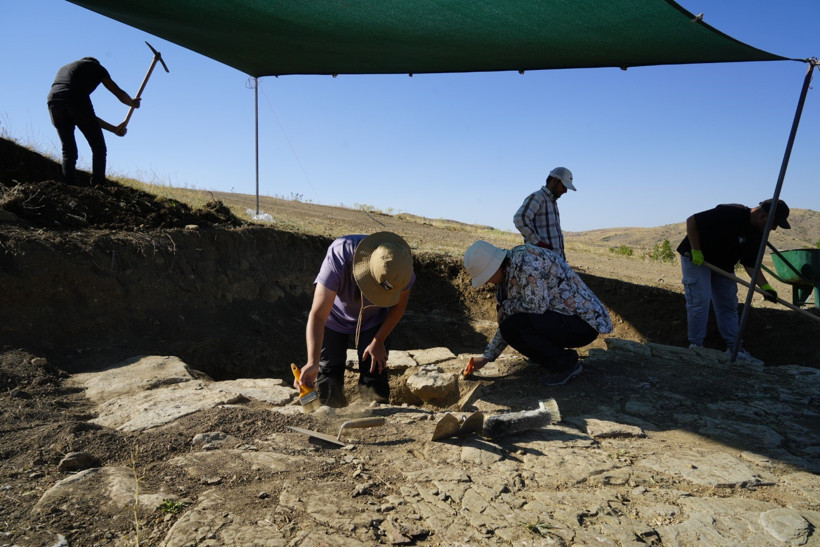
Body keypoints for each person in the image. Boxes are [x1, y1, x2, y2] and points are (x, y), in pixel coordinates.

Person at [463, 240, 613, 386]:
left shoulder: (527, 262)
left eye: (486, 277)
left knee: (516, 324)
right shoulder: (509, 271)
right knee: (511, 325)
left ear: (494, 267)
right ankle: (550, 358)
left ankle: (567, 364)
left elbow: (536, 306)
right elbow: (507, 321)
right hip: (563, 320)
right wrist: (487, 357)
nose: (487, 282)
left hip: (583, 323)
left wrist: (506, 308)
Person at [296, 232, 415, 407]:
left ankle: (378, 413)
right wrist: (312, 362)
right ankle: (331, 411)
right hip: (334, 315)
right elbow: (318, 315)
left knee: (374, 367)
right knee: (329, 368)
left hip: (374, 318)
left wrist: (378, 341)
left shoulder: (401, 269)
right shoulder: (340, 255)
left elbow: (398, 307)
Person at [676, 199, 791, 364]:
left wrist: (766, 287)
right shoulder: (731, 213)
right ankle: (696, 348)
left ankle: (735, 350)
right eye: (774, 224)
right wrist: (696, 250)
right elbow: (692, 221)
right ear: (764, 216)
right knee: (700, 300)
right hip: (697, 259)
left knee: (728, 305)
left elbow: (750, 264)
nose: (774, 229)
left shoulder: (758, 234)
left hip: (723, 265)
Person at [47, 57, 140, 186]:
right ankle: (98, 185)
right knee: (99, 148)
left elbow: (89, 117)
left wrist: (113, 129)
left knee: (68, 150)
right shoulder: (96, 67)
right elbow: (118, 93)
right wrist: (132, 103)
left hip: (53, 101)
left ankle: (69, 186)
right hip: (75, 98)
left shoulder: (65, 69)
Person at [513, 167, 576, 260]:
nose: (565, 191)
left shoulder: (552, 201)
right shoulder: (538, 197)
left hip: (554, 260)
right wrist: (538, 243)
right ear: (554, 181)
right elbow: (520, 219)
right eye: (564, 186)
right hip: (542, 260)